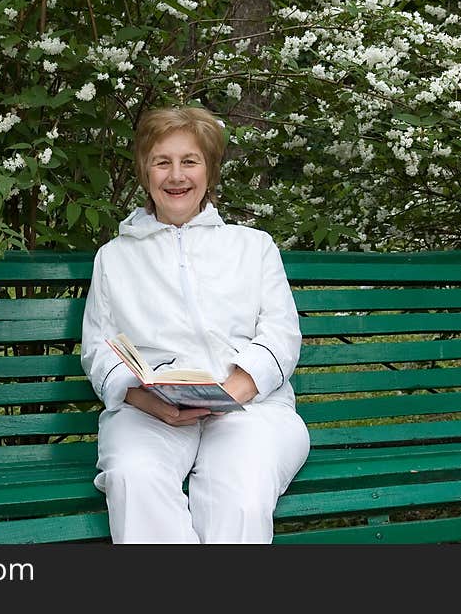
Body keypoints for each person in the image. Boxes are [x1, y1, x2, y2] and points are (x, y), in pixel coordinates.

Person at [80, 105, 310, 543]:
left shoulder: (253, 246)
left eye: (189, 161)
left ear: (210, 171)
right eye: (162, 162)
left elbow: (281, 334)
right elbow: (98, 348)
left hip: (250, 410)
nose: (176, 176)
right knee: (134, 479)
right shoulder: (115, 257)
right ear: (145, 172)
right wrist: (144, 399)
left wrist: (232, 392)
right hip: (150, 413)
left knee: (238, 497)